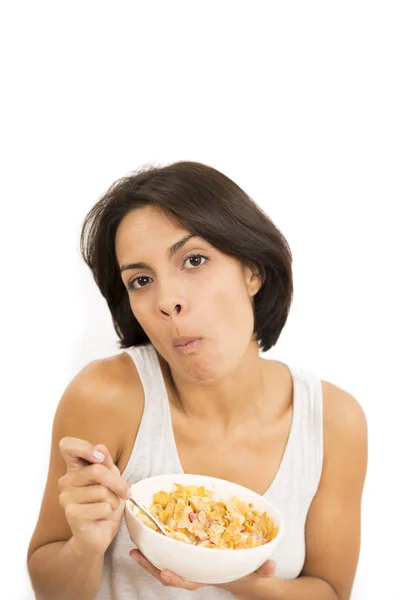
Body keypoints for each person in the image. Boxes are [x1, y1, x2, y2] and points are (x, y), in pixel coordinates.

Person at [27, 161, 368, 600]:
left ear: (252, 270)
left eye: (194, 260)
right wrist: (83, 548)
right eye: (141, 280)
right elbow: (48, 588)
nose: (167, 301)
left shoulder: (333, 422)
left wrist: (231, 573)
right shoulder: (105, 397)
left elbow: (331, 592)